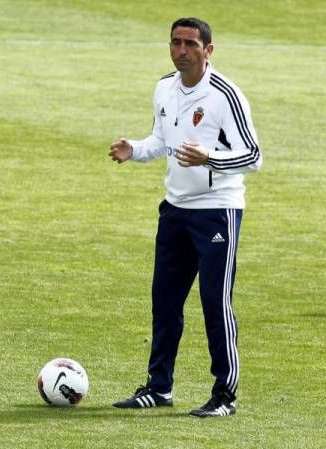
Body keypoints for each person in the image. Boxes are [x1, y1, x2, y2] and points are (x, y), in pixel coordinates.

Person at [108, 17, 262, 417]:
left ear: (208, 50)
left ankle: (224, 396)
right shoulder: (164, 87)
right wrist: (135, 149)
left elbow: (253, 156)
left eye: (190, 44)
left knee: (215, 302)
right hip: (174, 209)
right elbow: (162, 139)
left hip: (216, 213)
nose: (181, 50)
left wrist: (210, 157)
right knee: (165, 301)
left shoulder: (226, 95)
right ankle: (159, 388)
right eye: (175, 42)